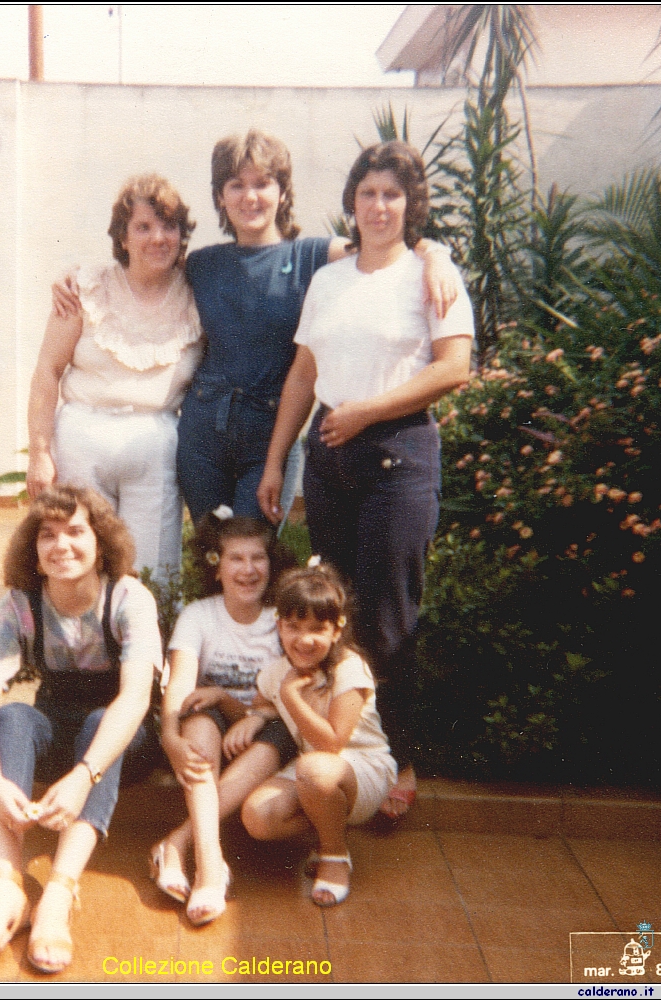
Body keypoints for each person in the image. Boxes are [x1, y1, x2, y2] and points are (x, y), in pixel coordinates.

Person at [51, 131, 458, 525]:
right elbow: (141, 266)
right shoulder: (202, 265)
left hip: (268, 435)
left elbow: (385, 243)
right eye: (236, 185)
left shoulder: (314, 256)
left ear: (282, 192)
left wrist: (435, 254)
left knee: (252, 556)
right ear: (220, 197)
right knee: (212, 556)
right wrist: (74, 276)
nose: (250, 196)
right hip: (202, 437)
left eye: (263, 183)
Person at [257, 141, 474, 818]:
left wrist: (366, 412)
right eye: (368, 193)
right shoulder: (331, 279)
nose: (379, 206)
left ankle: (397, 755)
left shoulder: (431, 275)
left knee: (389, 616)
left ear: (411, 207)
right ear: (352, 202)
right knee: (335, 614)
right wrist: (275, 461)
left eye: (393, 195)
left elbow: (453, 368)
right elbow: (302, 375)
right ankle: (336, 749)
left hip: (399, 451)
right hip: (330, 452)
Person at [0, 485, 160, 974]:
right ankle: (5, 885)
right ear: (34, 549)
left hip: (123, 741)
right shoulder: (19, 607)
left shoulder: (129, 598)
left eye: (75, 531)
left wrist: (83, 776)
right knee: (12, 717)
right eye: (47, 535)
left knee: (99, 722)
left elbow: (134, 700)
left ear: (100, 542)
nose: (61, 545)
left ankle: (59, 893)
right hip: (59, 725)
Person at [25, 174, 203, 580]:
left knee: (152, 568)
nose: (158, 237)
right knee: (83, 559)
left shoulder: (199, 290)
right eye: (143, 227)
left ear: (182, 234)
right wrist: (39, 452)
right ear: (123, 237)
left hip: (154, 445)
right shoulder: (85, 288)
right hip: (82, 440)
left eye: (169, 226)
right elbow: (47, 372)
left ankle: (146, 640)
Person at [152, 508, 298, 926]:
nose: (248, 570)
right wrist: (170, 737)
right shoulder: (198, 615)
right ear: (216, 567)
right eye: (236, 558)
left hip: (265, 737)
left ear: (272, 565)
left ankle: (179, 844)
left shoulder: (280, 619)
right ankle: (211, 865)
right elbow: (179, 687)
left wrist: (248, 713)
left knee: (275, 731)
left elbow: (288, 698)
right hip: (213, 732)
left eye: (258, 558)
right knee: (197, 717)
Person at [241, 563, 396, 907]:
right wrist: (243, 712)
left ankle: (334, 855)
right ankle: (328, 824)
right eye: (293, 626)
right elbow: (262, 702)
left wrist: (292, 696)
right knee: (257, 816)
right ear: (279, 626)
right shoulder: (276, 673)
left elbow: (331, 743)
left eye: (317, 628)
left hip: (360, 769)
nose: (304, 639)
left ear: (336, 631)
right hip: (316, 776)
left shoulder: (348, 667)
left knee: (313, 767)